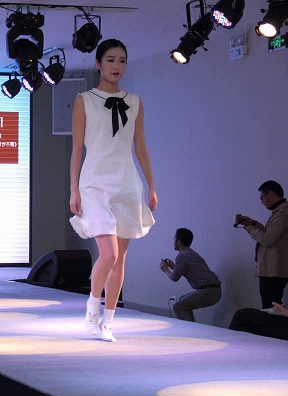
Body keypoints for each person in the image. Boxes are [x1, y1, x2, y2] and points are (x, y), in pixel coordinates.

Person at [69, 39, 157, 342]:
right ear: (98, 64)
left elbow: (140, 146)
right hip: (94, 183)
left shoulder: (135, 101)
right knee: (109, 253)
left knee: (120, 260)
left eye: (122, 60)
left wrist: (151, 185)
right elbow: (76, 149)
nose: (116, 66)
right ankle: (92, 307)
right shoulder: (84, 100)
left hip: (126, 183)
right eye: (110, 60)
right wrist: (74, 190)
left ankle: (108, 321)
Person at [237, 180, 288, 309]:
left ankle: (274, 324)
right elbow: (270, 233)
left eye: (262, 198)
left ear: (270, 195)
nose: (261, 202)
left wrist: (251, 230)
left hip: (274, 270)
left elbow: (268, 240)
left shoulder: (283, 213)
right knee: (272, 306)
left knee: (271, 308)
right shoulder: (279, 212)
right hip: (271, 269)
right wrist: (253, 223)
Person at [158, 228, 221, 322]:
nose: (173, 240)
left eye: (174, 238)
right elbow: (191, 272)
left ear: (179, 242)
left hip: (209, 292)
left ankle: (192, 329)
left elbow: (174, 278)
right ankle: (192, 326)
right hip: (214, 290)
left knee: (178, 306)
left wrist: (165, 270)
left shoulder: (182, 256)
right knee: (181, 301)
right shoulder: (190, 253)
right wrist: (174, 267)